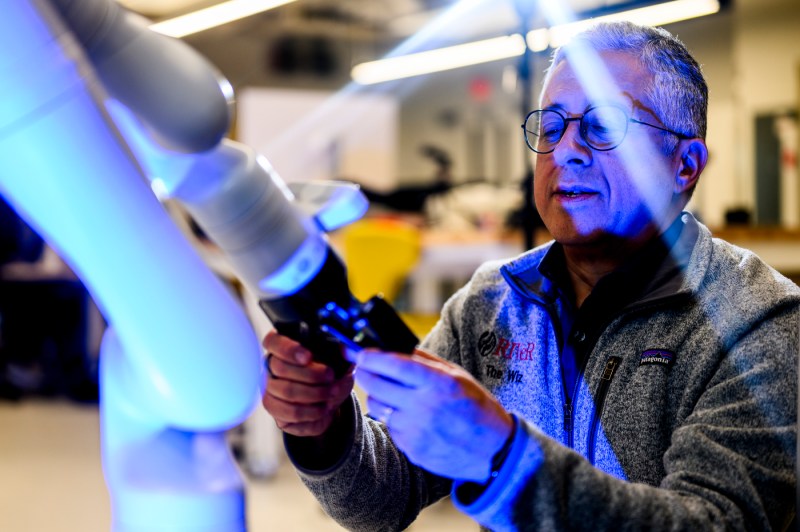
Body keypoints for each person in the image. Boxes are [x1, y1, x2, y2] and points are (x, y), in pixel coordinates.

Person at [262, 21, 799, 531]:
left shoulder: (760, 326)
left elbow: (714, 523)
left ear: (685, 165)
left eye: (604, 125)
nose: (564, 150)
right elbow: (382, 501)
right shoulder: (491, 302)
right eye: (552, 124)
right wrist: (326, 428)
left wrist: (503, 457)